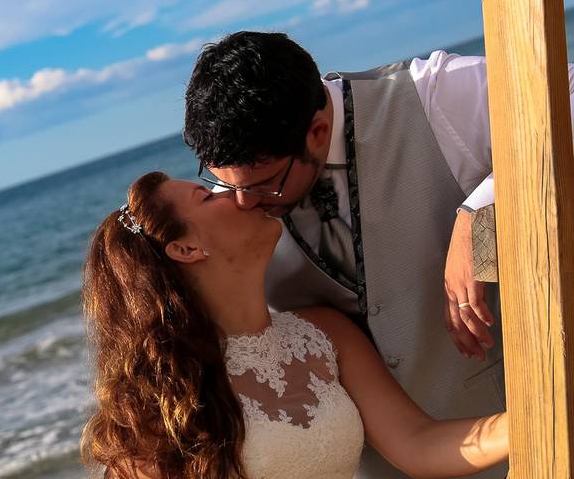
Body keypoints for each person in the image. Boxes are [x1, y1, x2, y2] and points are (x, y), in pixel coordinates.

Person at [181, 31, 574, 477]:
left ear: (317, 131)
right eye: (225, 184)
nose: (242, 203)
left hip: (541, 437)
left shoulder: (431, 95)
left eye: (262, 185)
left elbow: (566, 105)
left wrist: (480, 220)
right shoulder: (234, 207)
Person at [80, 171, 508, 479]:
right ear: (187, 248)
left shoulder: (325, 334)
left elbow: (419, 443)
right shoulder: (158, 405)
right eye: (208, 196)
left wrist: (531, 417)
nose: (236, 193)